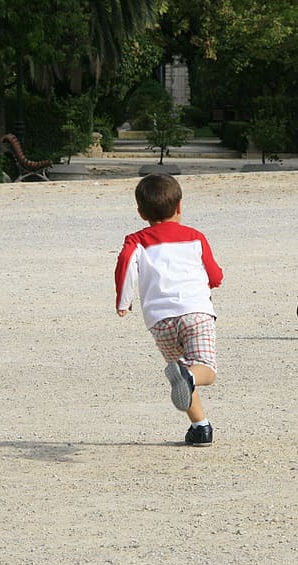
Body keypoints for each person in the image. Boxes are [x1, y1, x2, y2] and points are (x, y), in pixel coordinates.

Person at [114, 173, 224, 446]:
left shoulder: (136, 240)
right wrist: (214, 280)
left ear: (141, 212)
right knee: (203, 370)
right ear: (180, 206)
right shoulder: (195, 236)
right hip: (196, 312)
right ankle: (190, 379)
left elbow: (126, 265)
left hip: (160, 320)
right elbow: (214, 275)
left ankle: (201, 427)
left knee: (180, 374)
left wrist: (123, 302)